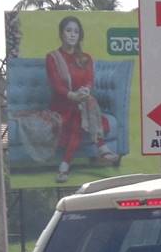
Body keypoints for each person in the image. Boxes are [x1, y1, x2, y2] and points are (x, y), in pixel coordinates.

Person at [46, 16, 118, 183]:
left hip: (83, 102)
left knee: (83, 110)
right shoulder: (53, 57)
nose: (72, 35)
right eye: (68, 30)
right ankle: (101, 147)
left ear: (80, 35)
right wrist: (72, 95)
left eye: (76, 31)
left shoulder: (86, 58)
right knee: (81, 113)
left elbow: (89, 80)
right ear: (61, 33)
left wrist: (84, 91)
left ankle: (64, 167)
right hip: (62, 105)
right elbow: (56, 84)